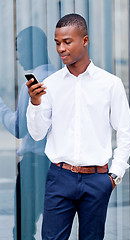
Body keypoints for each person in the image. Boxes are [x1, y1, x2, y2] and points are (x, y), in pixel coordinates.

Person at [26, 13, 130, 240]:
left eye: (67, 42)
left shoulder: (110, 84)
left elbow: (126, 131)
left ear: (84, 41)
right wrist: (35, 104)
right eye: (57, 43)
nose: (61, 49)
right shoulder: (51, 85)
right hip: (60, 177)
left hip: (97, 179)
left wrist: (115, 175)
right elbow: (37, 134)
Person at [0, 26, 55, 239]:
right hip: (56, 166)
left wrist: (2, 109)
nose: (17, 57)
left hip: (33, 165)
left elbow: (19, 129)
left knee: (24, 228)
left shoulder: (32, 82)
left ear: (33, 48)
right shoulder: (58, 77)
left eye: (19, 48)